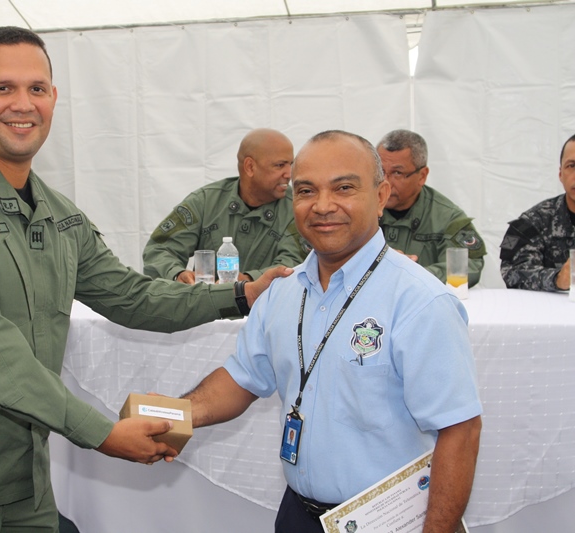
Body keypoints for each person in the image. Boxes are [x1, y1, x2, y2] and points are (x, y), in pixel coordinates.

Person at [0, 26, 288, 533]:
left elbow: (131, 296)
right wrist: (100, 432)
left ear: (53, 98)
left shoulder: (57, 215)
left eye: (36, 88)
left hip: (27, 480)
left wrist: (240, 295)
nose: (23, 104)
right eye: (3, 88)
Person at [182, 131, 482, 533]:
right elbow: (242, 379)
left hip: (388, 521)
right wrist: (172, 417)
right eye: (306, 190)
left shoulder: (420, 301)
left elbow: (460, 430)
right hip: (298, 514)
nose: (323, 206)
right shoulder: (283, 292)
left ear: (380, 196)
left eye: (343, 188)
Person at [143, 128, 308, 283]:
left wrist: (249, 281)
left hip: (268, 303)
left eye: (291, 164)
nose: (289, 174)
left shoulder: (297, 208)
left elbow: (294, 265)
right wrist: (177, 274)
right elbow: (159, 250)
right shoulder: (206, 202)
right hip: (207, 303)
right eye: (280, 165)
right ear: (250, 167)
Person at [376, 129, 486, 285]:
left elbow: (470, 265)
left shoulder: (447, 217)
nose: (385, 182)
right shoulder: (360, 208)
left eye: (397, 173)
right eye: (380, 171)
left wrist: (413, 274)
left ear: (422, 176)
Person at [500, 133, 575, 291]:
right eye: (572, 166)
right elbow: (511, 272)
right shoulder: (533, 221)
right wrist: (557, 279)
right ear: (561, 174)